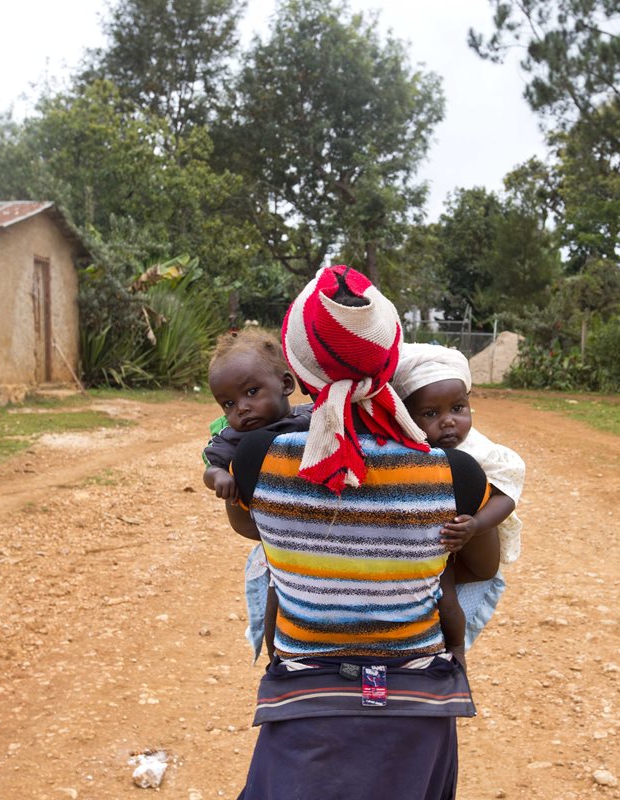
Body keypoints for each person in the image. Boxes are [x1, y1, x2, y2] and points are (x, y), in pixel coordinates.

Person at [225, 265, 490, 799]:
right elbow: (481, 568)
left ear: (297, 375)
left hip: (304, 708)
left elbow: (253, 531)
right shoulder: (455, 474)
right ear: (391, 359)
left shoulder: (257, 460)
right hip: (417, 710)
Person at [391, 343, 525, 661]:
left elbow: (507, 494)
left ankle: (456, 658)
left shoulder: (479, 450)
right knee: (442, 599)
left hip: (467, 540)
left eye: (458, 408)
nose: (448, 422)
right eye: (430, 414)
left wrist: (477, 524)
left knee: (448, 604)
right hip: (428, 548)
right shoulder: (404, 449)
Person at [202, 328, 312, 659]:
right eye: (229, 404)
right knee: (275, 596)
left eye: (252, 392)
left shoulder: (311, 417)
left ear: (286, 385)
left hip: (317, 522)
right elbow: (210, 466)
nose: (242, 409)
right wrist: (219, 476)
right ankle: (275, 659)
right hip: (273, 535)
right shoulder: (232, 438)